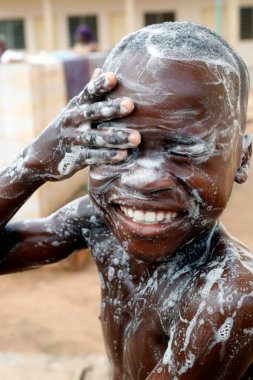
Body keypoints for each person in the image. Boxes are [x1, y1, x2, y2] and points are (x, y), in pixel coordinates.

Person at [0, 21, 253, 379]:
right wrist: (32, 164)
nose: (144, 179)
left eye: (184, 150)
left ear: (241, 158)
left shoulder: (228, 297)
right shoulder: (99, 221)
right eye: (116, 146)